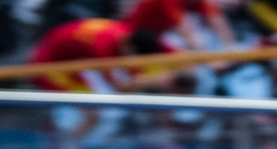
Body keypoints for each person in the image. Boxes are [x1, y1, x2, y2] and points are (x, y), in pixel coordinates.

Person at [28, 19, 173, 94]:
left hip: (68, 59)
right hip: (46, 63)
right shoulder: (102, 49)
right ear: (129, 47)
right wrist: (154, 80)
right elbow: (119, 88)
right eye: (133, 57)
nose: (132, 61)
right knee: (92, 112)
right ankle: (66, 146)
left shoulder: (127, 33)